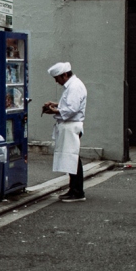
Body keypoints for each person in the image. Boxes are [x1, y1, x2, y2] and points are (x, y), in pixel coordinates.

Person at [41, 62, 87, 202]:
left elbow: (72, 109)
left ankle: (77, 191)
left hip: (71, 126)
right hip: (70, 126)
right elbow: (71, 106)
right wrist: (57, 105)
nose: (56, 81)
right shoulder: (73, 85)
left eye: (57, 78)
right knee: (71, 158)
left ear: (65, 75)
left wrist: (55, 110)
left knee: (72, 159)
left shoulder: (74, 87)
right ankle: (74, 189)